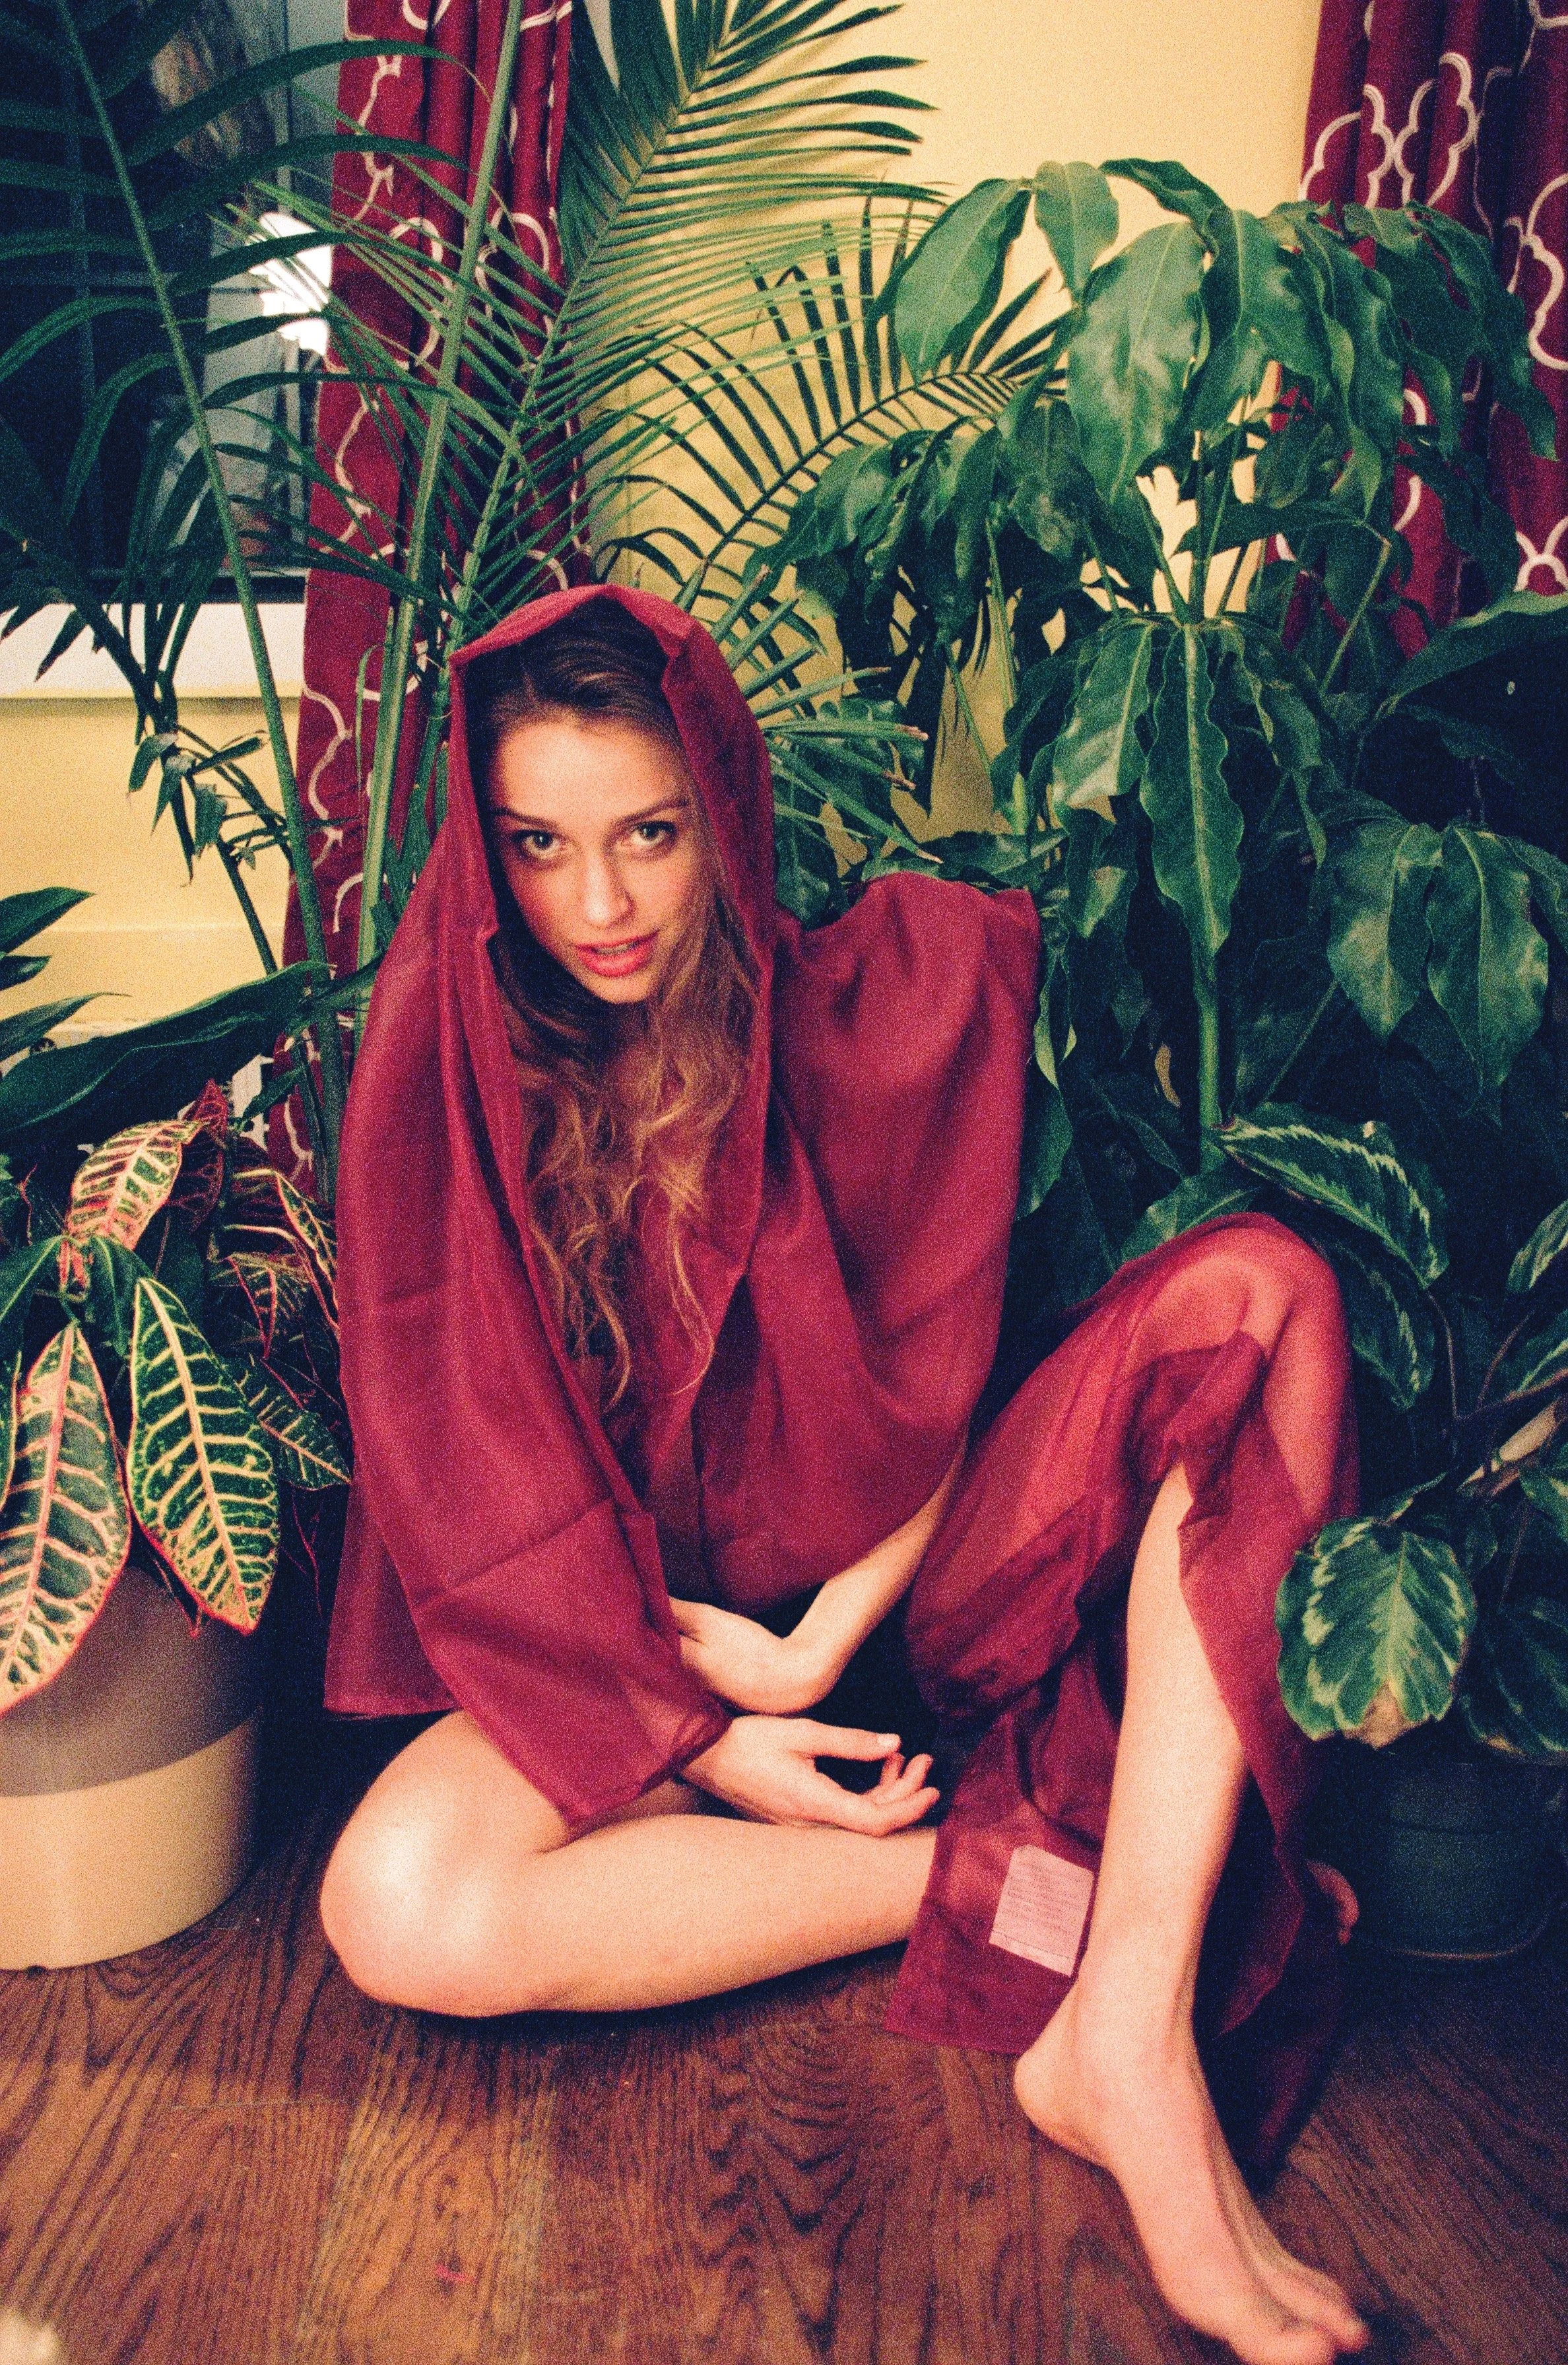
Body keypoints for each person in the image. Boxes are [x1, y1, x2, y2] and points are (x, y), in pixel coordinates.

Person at [319, 586, 1369, 2365]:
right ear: (483, 854)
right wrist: (714, 1722)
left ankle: (1126, 2028)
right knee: (394, 1904)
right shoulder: (453, 1084)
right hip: (627, 1670)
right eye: (541, 846)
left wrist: (814, 1652)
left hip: (900, 1614)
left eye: (649, 834)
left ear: (720, 807)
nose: (599, 904)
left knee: (1269, 1293)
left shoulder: (869, 998)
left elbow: (937, 1371)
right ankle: (1052, 1890)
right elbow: (464, 1487)